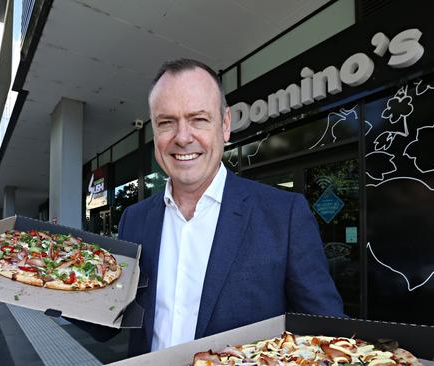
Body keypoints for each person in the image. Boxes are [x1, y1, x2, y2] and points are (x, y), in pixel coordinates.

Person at [77, 58, 344, 357]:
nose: (182, 137)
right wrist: (52, 288)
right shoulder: (135, 219)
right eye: (167, 122)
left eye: (198, 119)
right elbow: (110, 321)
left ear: (225, 125)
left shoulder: (284, 215)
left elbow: (326, 336)